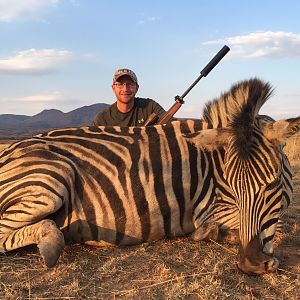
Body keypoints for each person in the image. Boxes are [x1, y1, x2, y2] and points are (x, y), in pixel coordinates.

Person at [93, 68, 166, 126]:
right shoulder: (102, 119)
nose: (125, 89)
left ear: (137, 88)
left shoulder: (150, 106)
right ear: (113, 88)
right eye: (120, 84)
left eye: (130, 84)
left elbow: (170, 122)